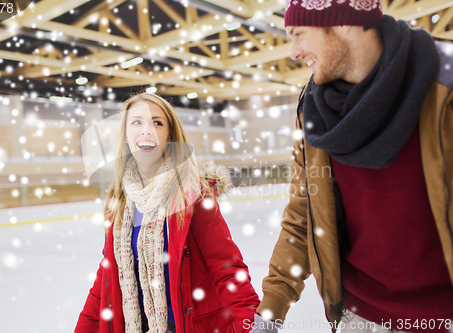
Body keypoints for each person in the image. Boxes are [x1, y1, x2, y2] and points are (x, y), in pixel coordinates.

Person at [251, 0, 453, 332]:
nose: (293, 52)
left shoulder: (443, 84)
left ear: (343, 21)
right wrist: (272, 307)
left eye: (299, 34)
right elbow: (304, 216)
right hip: (360, 318)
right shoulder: (313, 111)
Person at [75, 92, 260, 333]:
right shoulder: (120, 201)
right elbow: (107, 279)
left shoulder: (192, 193)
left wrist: (250, 324)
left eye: (157, 122)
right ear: (126, 135)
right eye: (136, 122)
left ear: (170, 136)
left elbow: (226, 268)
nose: (146, 130)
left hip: (185, 326)